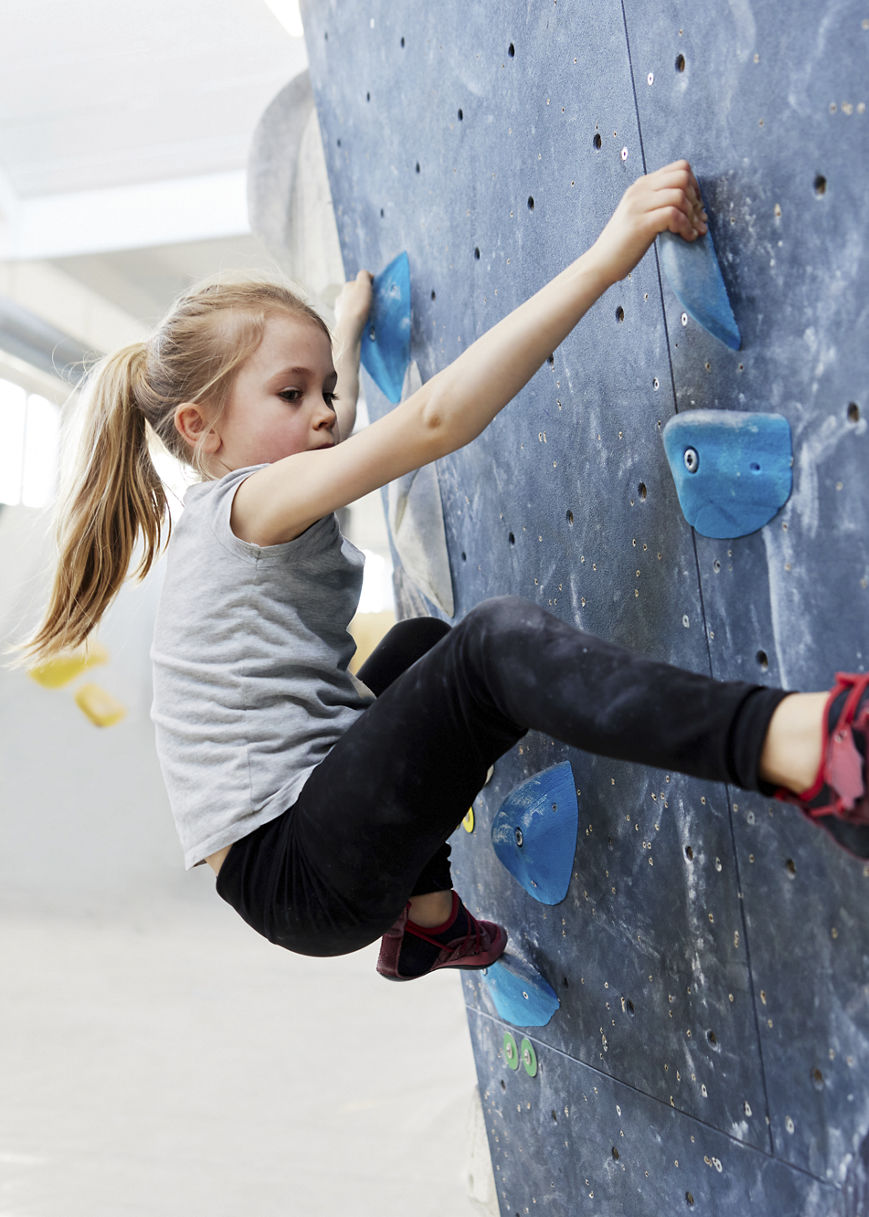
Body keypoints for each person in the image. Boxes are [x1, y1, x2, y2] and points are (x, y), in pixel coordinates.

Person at [23, 161, 869, 982]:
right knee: (488, 651)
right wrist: (607, 255)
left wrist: (343, 329)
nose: (322, 412)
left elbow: (341, 419)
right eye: (292, 394)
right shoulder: (249, 505)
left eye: (322, 389)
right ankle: (801, 746)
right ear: (199, 426)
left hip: (292, 849)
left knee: (424, 644)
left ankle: (427, 922)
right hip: (295, 862)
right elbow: (431, 421)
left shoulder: (247, 494)